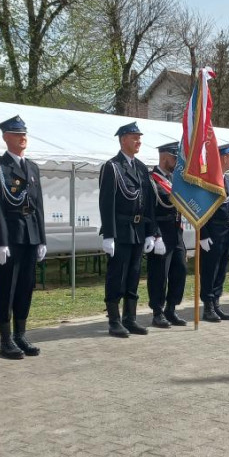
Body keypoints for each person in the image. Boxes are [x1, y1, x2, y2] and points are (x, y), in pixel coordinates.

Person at [0, 115, 47, 358]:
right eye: (16, 134)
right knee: (8, 288)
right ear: (5, 137)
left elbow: (39, 204)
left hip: (31, 234)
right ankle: (5, 338)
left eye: (24, 134)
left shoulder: (31, 166)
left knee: (26, 286)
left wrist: (42, 238)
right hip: (11, 236)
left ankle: (21, 334)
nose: (23, 138)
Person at [99, 122, 155, 337]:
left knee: (133, 274)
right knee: (117, 275)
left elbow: (148, 201)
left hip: (138, 229)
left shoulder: (140, 167)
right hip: (121, 229)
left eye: (139, 137)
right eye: (134, 137)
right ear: (123, 140)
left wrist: (150, 231)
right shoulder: (112, 166)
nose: (138, 141)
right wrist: (109, 235)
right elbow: (106, 203)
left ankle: (130, 318)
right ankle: (114, 320)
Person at [146, 142, 187, 328]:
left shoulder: (174, 179)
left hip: (176, 231)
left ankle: (171, 308)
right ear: (165, 157)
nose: (177, 162)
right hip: (161, 233)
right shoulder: (151, 179)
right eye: (175, 158)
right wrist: (155, 234)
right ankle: (157, 311)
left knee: (180, 270)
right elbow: (149, 210)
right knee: (159, 275)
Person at [200, 143, 229, 322]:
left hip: (227, 232)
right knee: (210, 271)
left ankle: (216, 304)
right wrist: (203, 234)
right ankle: (207, 307)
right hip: (213, 232)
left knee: (221, 270)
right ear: (222, 158)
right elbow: (201, 210)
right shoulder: (209, 180)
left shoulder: (228, 180)